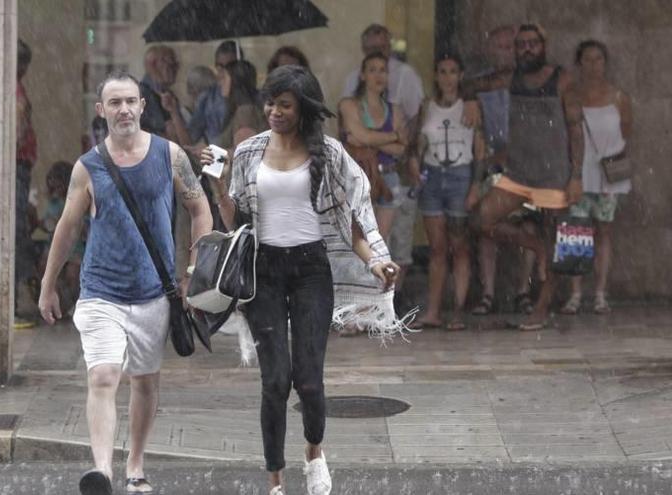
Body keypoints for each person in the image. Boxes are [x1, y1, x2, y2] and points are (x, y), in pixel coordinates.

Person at [202, 65, 401, 495]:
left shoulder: (327, 153)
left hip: (312, 271)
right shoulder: (251, 152)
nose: (274, 111)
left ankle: (314, 451)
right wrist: (220, 188)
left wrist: (375, 262)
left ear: (302, 108)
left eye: (284, 104)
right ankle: (275, 480)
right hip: (264, 274)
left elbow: (350, 221)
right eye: (270, 103)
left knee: (309, 379)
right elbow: (235, 219)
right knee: (275, 380)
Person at [38, 71, 213, 495]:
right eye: (114, 103)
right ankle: (102, 471)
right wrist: (48, 284)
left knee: (145, 381)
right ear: (101, 111)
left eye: (130, 101)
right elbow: (67, 227)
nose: (124, 110)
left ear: (142, 106)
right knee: (103, 375)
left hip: (154, 293)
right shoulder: (89, 166)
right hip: (101, 292)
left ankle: (135, 463)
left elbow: (200, 211)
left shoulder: (170, 155)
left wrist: (194, 272)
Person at [470, 24, 584, 330]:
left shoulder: (563, 80)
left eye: (533, 43)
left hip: (554, 177)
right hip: (518, 174)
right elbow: (472, 86)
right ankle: (534, 246)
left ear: (544, 45)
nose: (527, 49)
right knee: (481, 219)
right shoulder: (511, 78)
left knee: (557, 242)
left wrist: (576, 176)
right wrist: (469, 101)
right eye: (521, 45)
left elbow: (576, 130)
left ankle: (542, 308)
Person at [407, 53, 485, 330]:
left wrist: (476, 184)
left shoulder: (471, 107)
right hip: (432, 177)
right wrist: (415, 162)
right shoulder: (426, 106)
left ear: (461, 75)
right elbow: (416, 142)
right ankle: (433, 311)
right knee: (438, 248)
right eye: (442, 71)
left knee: (460, 246)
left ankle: (458, 310)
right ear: (436, 75)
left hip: (460, 176)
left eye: (453, 71)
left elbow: (480, 149)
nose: (448, 77)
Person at [464, 25, 538, 316]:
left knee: (529, 225)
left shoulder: (532, 81)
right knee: (486, 228)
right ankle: (488, 293)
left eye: (512, 47)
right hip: (492, 166)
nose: (507, 52)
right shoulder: (480, 86)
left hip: (528, 167)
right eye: (501, 47)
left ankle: (523, 291)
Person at [559, 40, 632, 315]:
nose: (593, 65)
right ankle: (575, 293)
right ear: (579, 64)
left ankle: (600, 293)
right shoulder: (572, 94)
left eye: (598, 59)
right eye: (587, 59)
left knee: (604, 231)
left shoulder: (618, 97)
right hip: (579, 172)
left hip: (608, 174)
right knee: (576, 231)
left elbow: (626, 131)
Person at [338, 52, 408, 240]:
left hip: (389, 177)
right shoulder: (349, 104)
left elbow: (401, 148)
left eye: (383, 70)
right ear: (362, 75)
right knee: (357, 243)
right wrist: (392, 136)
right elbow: (363, 136)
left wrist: (368, 139)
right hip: (358, 177)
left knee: (380, 245)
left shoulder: (395, 109)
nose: (378, 76)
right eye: (372, 70)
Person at [34, 161, 85, 315]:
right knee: (45, 267)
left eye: (58, 185)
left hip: (75, 248)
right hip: (54, 246)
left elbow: (82, 225)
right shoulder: (53, 203)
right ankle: (56, 302)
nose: (55, 189)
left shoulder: (78, 200)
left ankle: (73, 304)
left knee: (73, 273)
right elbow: (47, 224)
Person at [15, 38, 38, 327]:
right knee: (17, 230)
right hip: (18, 164)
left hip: (21, 164)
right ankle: (13, 305)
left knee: (19, 230)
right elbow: (19, 115)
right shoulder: (15, 87)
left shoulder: (14, 85)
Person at [188, 40, 242, 145]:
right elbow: (192, 135)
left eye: (230, 66)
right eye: (220, 66)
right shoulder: (206, 98)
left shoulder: (251, 95)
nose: (225, 71)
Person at [139, 45, 192, 146]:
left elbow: (184, 141)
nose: (176, 69)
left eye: (176, 64)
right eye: (171, 64)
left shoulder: (169, 96)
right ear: (153, 65)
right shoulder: (142, 96)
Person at [217, 60, 267, 151]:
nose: (220, 83)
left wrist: (211, 153)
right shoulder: (242, 110)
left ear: (235, 81)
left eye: (224, 78)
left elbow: (244, 152)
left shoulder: (245, 113)